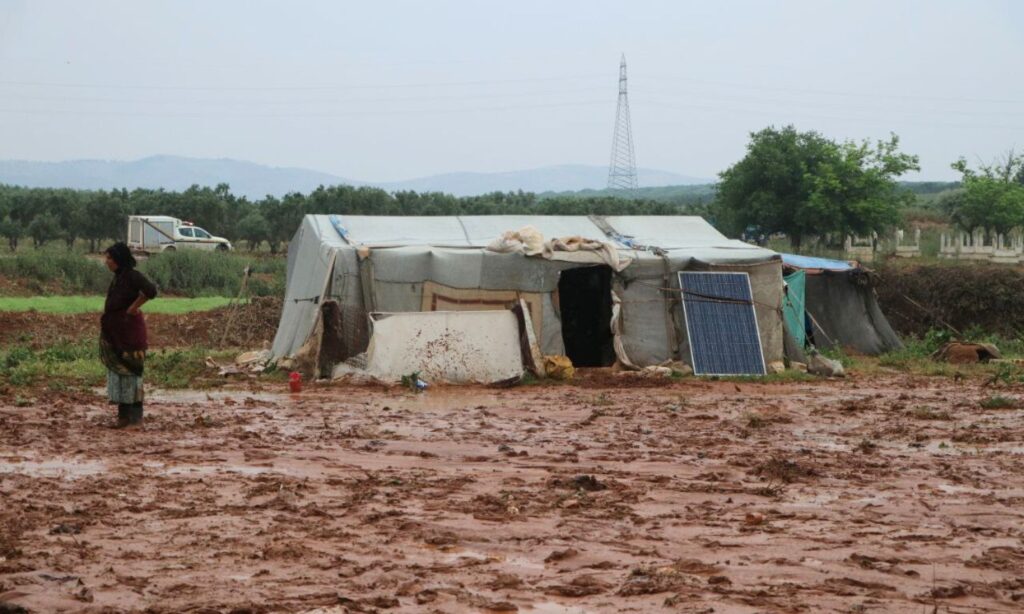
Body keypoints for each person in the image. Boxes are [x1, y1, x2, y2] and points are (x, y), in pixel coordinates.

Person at [100, 243, 158, 427]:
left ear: (118, 259)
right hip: (117, 333)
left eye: (109, 258)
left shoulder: (132, 275)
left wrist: (133, 307)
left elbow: (151, 291)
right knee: (120, 377)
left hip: (129, 334)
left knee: (132, 374)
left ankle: (135, 419)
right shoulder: (118, 277)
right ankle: (123, 418)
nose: (106, 262)